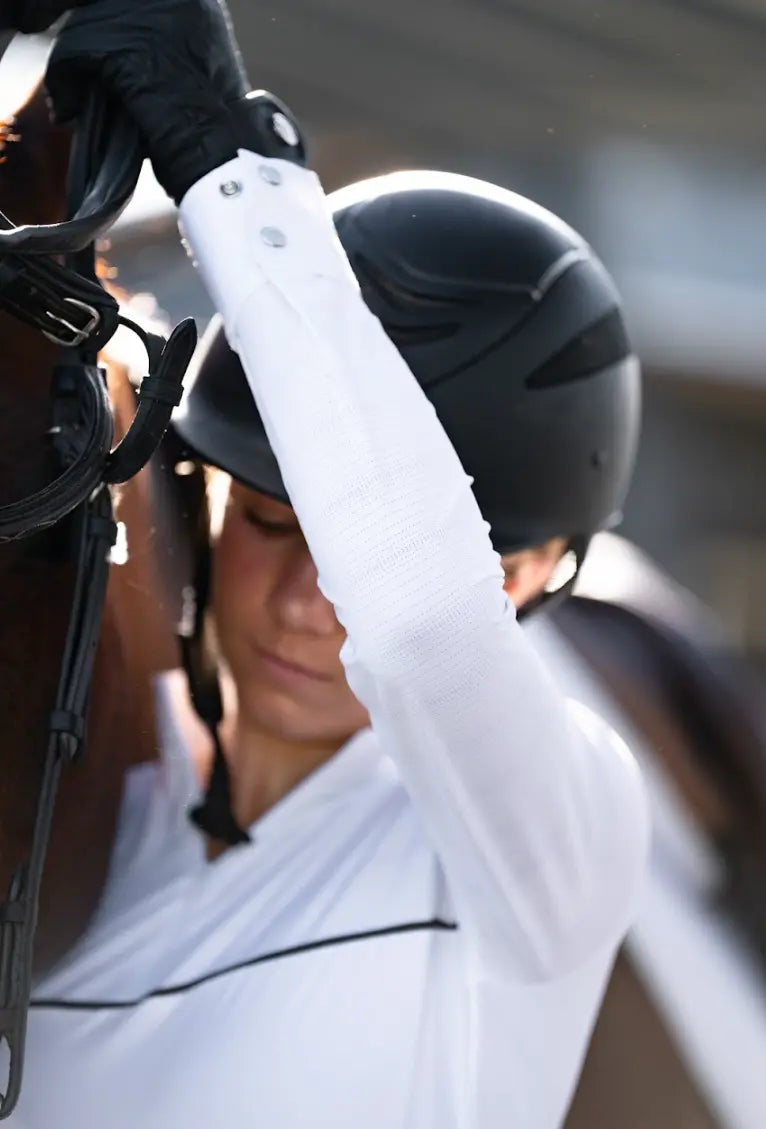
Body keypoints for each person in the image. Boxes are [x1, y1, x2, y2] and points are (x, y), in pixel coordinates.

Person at [9, 4, 647, 1127]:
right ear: (200, 498)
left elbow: (414, 627)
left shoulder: (565, 834)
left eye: (345, 552)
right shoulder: (76, 805)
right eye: (267, 519)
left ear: (533, 577)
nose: (314, 607)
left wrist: (227, 164)